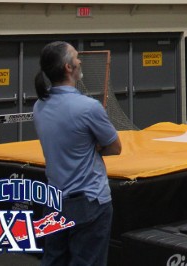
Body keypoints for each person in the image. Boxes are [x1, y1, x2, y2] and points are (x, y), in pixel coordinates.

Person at [33, 41, 122, 265]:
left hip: (54, 200)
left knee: (54, 260)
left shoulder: (39, 106)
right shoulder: (88, 107)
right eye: (76, 56)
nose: (80, 60)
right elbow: (115, 147)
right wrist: (95, 146)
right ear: (68, 67)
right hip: (88, 201)